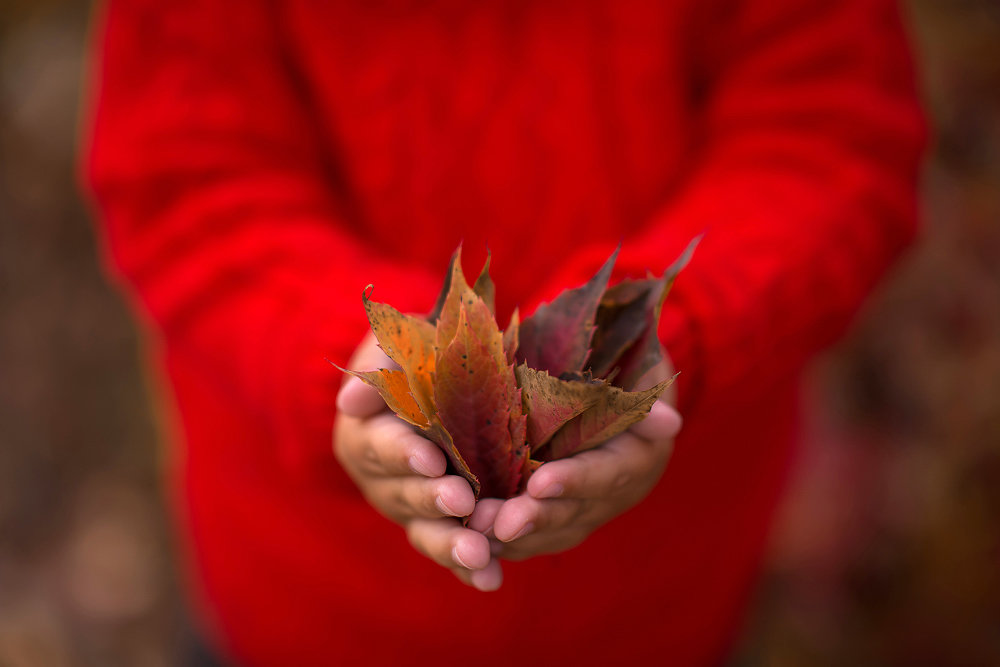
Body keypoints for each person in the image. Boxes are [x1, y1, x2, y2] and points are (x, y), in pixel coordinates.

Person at [82, 0, 925, 664]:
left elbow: (831, 133)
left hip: (664, 599)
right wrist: (357, 360)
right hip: (307, 597)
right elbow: (186, 178)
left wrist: (670, 324)